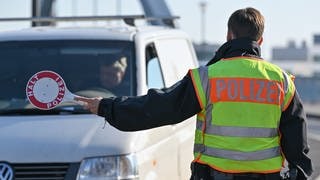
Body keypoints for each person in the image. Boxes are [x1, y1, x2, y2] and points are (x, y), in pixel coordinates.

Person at [76, 7, 313, 180]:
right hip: (266, 177)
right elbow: (297, 145)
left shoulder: (207, 77)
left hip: (215, 176)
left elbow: (159, 108)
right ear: (260, 40)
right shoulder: (281, 81)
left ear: (228, 35)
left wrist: (107, 107)